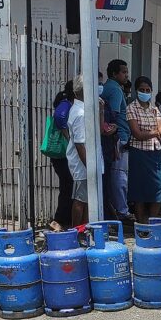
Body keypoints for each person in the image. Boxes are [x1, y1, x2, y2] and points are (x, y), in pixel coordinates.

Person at [126, 76, 161, 223]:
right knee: (139, 190)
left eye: (148, 90)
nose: (145, 92)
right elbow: (138, 134)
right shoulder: (131, 108)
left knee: (159, 187)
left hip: (155, 153)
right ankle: (141, 223)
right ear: (136, 91)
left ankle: (153, 222)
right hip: (138, 153)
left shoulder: (154, 110)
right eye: (142, 90)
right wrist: (156, 132)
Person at [66, 74, 106, 226]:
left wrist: (101, 110)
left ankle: (84, 229)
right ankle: (78, 231)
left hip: (88, 162)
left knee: (87, 200)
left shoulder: (85, 109)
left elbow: (99, 131)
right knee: (81, 200)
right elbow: (79, 144)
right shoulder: (81, 113)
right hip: (84, 165)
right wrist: (90, 169)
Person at [101, 59, 135, 223]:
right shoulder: (115, 90)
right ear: (114, 74)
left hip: (117, 137)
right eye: (123, 72)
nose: (126, 75)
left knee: (116, 176)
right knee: (120, 177)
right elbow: (113, 117)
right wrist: (118, 139)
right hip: (119, 138)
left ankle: (117, 209)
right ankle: (122, 211)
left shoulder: (110, 88)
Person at [48, 81, 75, 230]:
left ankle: (64, 220)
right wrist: (69, 138)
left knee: (68, 186)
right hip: (63, 155)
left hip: (64, 155)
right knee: (68, 187)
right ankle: (59, 220)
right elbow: (59, 117)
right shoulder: (66, 104)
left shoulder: (68, 103)